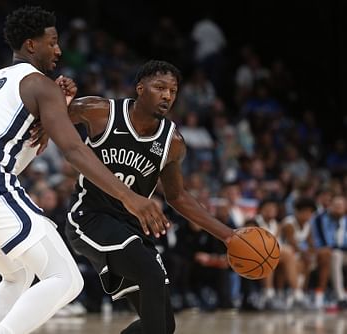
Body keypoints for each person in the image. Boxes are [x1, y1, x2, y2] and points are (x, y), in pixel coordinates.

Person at [0, 6, 169, 334]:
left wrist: (55, 108)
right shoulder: (39, 85)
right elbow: (74, 150)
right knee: (66, 279)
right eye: (52, 42)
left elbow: (22, 140)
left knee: (17, 274)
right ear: (31, 45)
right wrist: (129, 197)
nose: (58, 50)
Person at [64, 60, 235, 334]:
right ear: (140, 88)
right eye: (160, 87)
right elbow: (52, 116)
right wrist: (49, 123)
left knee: (163, 325)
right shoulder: (100, 112)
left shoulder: (173, 142)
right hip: (90, 217)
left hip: (131, 228)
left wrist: (228, 235)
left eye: (173, 90)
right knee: (151, 274)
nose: (167, 95)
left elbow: (177, 197)